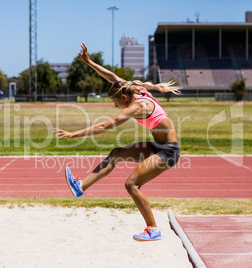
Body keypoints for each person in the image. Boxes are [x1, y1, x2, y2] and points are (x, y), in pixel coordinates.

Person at [54, 43, 181, 241]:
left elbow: (106, 125)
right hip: (157, 146)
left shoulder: (137, 106)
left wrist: (74, 134)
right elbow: (112, 78)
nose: (115, 106)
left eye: (116, 102)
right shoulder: (135, 90)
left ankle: (152, 228)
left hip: (168, 152)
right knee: (116, 153)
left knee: (132, 184)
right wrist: (89, 62)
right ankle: (80, 187)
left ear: (124, 97)